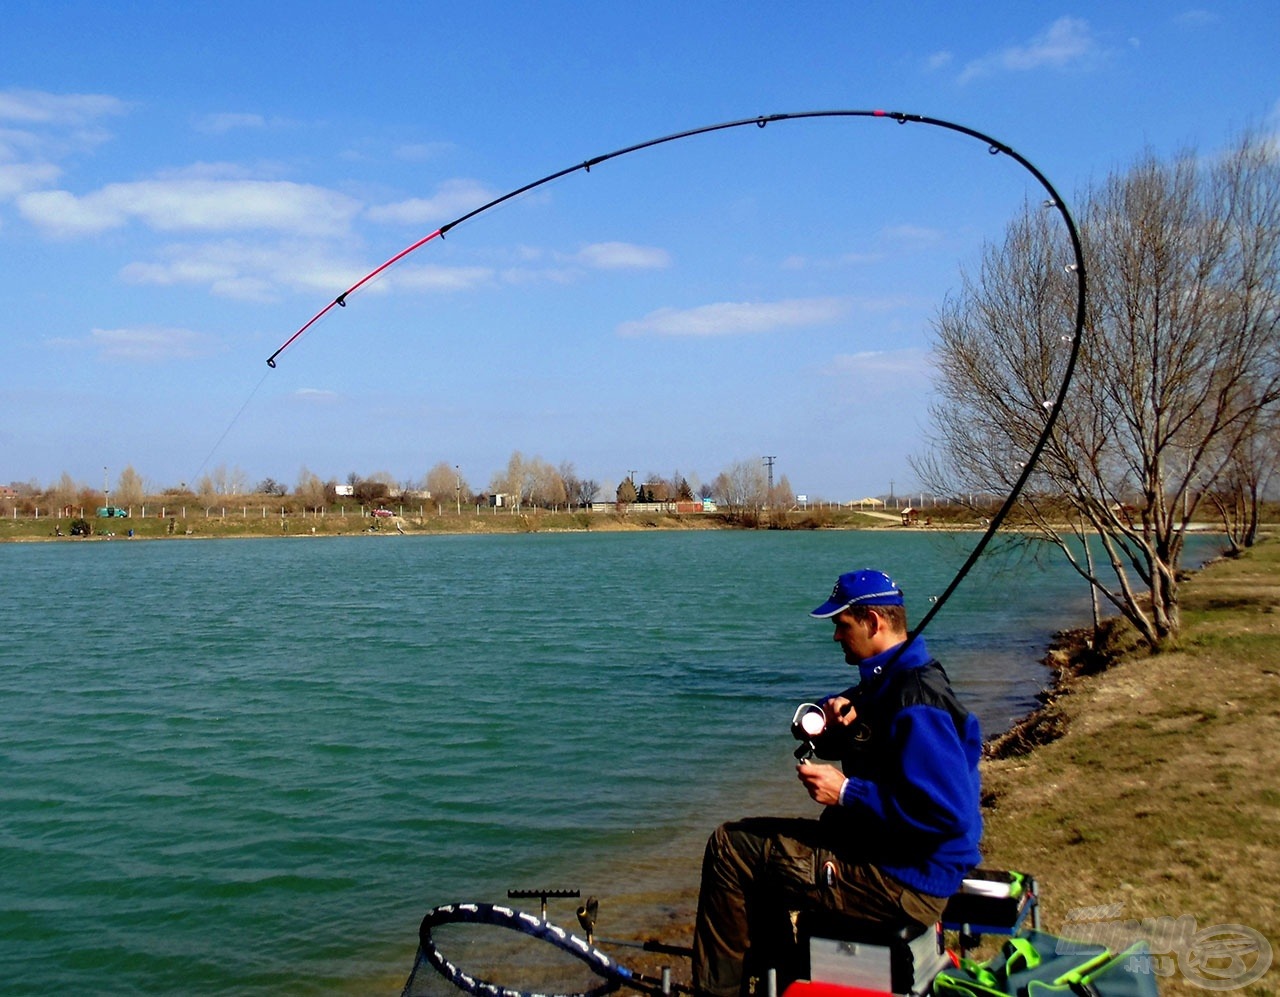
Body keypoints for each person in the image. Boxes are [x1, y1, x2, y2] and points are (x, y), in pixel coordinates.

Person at [692, 569, 983, 997]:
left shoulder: (916, 700)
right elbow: (891, 752)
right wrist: (840, 725)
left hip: (908, 881)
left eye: (841, 625)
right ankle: (781, 979)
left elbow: (951, 817)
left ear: (873, 622)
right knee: (778, 843)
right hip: (901, 861)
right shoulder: (897, 679)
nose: (835, 637)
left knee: (729, 848)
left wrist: (847, 791)